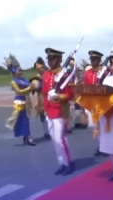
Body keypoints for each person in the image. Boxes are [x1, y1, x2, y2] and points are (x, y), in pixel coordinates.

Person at [42, 47, 75, 176]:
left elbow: (70, 94)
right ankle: (61, 162)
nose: (49, 61)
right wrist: (45, 109)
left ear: (59, 59)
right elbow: (44, 94)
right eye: (48, 59)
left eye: (52, 58)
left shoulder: (65, 75)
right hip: (49, 111)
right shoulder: (46, 75)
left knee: (60, 139)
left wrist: (59, 97)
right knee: (54, 139)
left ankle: (68, 163)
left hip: (60, 111)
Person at [4, 54, 37, 146]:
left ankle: (26, 135)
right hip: (20, 101)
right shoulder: (14, 81)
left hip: (26, 101)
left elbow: (28, 85)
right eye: (19, 70)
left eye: (21, 70)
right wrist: (31, 88)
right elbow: (19, 91)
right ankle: (28, 136)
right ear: (14, 71)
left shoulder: (24, 79)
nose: (21, 71)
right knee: (24, 119)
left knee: (25, 119)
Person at [83, 50, 109, 156]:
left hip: (102, 102)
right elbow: (85, 87)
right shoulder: (88, 73)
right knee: (94, 126)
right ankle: (99, 145)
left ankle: (105, 146)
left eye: (95, 59)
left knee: (103, 125)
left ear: (99, 60)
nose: (93, 62)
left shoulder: (105, 73)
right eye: (91, 60)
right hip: (91, 103)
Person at [32, 57, 51, 139]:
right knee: (42, 115)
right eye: (37, 69)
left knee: (50, 115)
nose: (39, 70)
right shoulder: (38, 76)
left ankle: (52, 131)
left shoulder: (49, 74)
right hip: (41, 97)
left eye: (40, 68)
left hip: (49, 96)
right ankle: (46, 132)